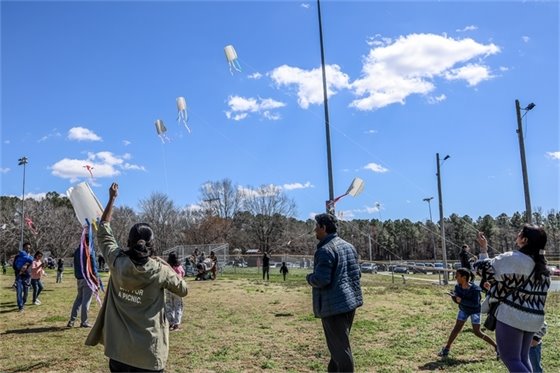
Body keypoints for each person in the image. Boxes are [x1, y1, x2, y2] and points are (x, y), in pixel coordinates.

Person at [85, 183, 188, 373]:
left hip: (118, 352)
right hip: (149, 353)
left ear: (128, 242)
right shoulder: (160, 270)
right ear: (152, 245)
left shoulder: (116, 261)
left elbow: (103, 230)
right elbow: (183, 289)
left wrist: (112, 198)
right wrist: (165, 264)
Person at [474, 226, 550, 373]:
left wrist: (483, 250)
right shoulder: (542, 266)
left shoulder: (514, 258)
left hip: (512, 316)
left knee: (511, 359)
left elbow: (482, 269)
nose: (517, 234)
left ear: (524, 240)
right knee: (521, 358)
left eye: (520, 233)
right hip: (533, 319)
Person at [306, 213, 363, 372]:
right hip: (349, 304)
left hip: (333, 307)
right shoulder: (349, 246)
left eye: (316, 227)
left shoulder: (325, 250)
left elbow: (322, 279)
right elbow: (357, 274)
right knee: (337, 348)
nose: (315, 230)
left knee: (341, 351)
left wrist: (309, 278)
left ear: (324, 228)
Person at [438, 268, 497, 358]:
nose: (455, 277)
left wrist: (461, 300)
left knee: (477, 332)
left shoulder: (475, 289)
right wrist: (454, 297)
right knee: (456, 328)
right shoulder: (458, 286)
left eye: (457, 275)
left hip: (475, 311)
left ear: (464, 277)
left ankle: (497, 347)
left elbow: (475, 304)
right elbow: (458, 300)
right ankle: (447, 348)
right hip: (463, 310)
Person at [67, 233, 99, 328]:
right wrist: (96, 278)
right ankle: (84, 321)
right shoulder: (89, 250)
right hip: (88, 278)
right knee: (86, 301)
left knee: (78, 300)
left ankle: (72, 320)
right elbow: (93, 265)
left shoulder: (77, 251)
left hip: (79, 278)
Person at [165, 251, 185, 331]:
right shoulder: (179, 267)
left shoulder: (166, 267)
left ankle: (170, 323)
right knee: (178, 306)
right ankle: (176, 324)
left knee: (169, 306)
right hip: (177, 289)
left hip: (168, 288)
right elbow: (182, 275)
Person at [13, 242, 34, 312]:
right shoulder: (18, 256)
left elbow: (32, 266)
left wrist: (27, 266)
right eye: (26, 247)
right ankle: (20, 306)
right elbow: (14, 266)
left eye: (29, 248)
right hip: (19, 276)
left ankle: (23, 302)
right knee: (19, 291)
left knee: (26, 292)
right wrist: (20, 269)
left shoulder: (31, 257)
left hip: (27, 277)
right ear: (24, 248)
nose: (28, 249)